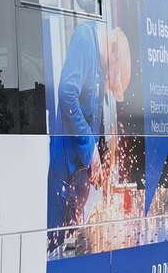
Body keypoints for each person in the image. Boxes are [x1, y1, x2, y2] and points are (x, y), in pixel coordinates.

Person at [47, 23, 131, 234]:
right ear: (113, 49)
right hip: (64, 180)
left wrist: (99, 161)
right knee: (58, 248)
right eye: (113, 77)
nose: (109, 82)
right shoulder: (85, 37)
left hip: (76, 186)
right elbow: (67, 93)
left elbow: (90, 121)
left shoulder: (99, 68)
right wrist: (89, 147)